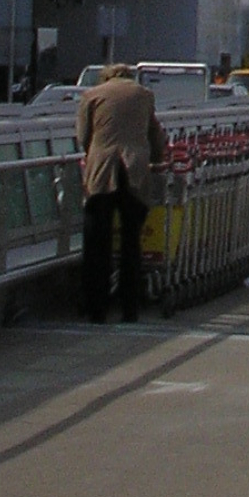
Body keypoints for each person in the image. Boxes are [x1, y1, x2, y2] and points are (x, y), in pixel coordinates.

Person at [77, 62, 168, 324]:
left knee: (97, 243)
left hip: (101, 174)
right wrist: (157, 158)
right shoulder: (143, 95)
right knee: (131, 243)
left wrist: (92, 155)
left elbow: (83, 136)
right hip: (135, 173)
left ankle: (97, 308)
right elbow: (155, 135)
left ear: (105, 77)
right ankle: (130, 308)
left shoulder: (91, 96)